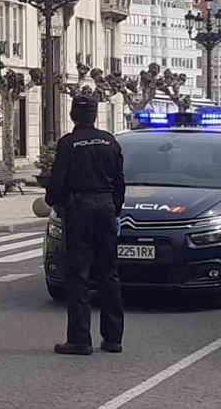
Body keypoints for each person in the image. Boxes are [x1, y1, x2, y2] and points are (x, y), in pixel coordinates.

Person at [45, 94, 125, 355]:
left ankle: (80, 339)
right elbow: (120, 179)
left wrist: (56, 203)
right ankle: (113, 338)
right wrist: (116, 208)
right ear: (95, 115)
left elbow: (57, 182)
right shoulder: (109, 141)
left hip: (80, 209)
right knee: (109, 273)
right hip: (106, 206)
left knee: (78, 274)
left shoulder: (69, 143)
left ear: (72, 115)